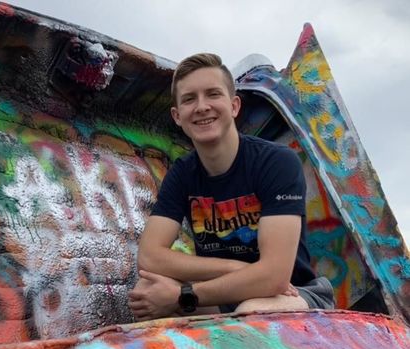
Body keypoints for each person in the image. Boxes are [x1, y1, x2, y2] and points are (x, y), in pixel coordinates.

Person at [128, 53, 334, 321]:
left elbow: (274, 276)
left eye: (213, 94)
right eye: (189, 99)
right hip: (227, 293)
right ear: (177, 116)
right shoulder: (182, 174)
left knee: (250, 311)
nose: (202, 107)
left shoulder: (277, 162)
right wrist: (231, 267)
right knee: (147, 292)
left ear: (234, 106)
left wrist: (184, 295)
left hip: (292, 293)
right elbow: (149, 257)